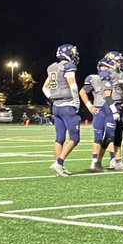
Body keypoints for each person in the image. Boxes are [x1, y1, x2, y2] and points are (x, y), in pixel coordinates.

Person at [79, 57, 123, 172]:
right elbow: (83, 91)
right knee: (98, 137)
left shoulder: (116, 76)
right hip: (100, 109)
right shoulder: (94, 78)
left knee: (112, 135)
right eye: (104, 66)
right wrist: (89, 105)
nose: (106, 69)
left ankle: (112, 160)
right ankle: (95, 162)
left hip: (111, 108)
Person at [42, 43, 82, 177]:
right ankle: (59, 163)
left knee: (59, 138)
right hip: (67, 105)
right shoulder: (68, 66)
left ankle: (58, 166)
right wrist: (76, 102)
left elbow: (45, 88)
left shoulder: (52, 67)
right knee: (74, 138)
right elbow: (74, 86)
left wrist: (53, 98)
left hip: (56, 106)